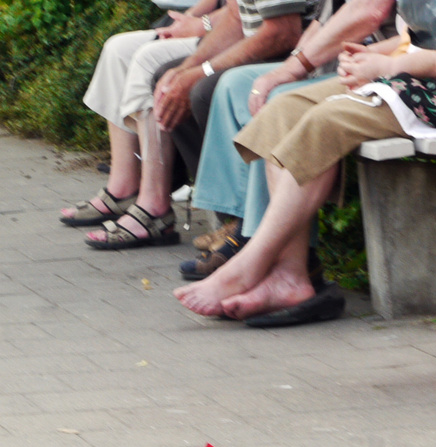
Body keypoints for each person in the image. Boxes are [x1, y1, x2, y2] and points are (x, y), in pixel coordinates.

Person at [173, 32, 436, 325]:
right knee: (283, 110)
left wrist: (386, 66)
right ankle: (290, 274)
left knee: (324, 123)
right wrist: (367, 55)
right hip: (405, 72)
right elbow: (417, 34)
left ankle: (249, 264)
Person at [183, 0, 397, 280]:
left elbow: (369, 12)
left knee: (277, 102)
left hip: (376, 68)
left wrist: (297, 66)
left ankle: (266, 244)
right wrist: (294, 61)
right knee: (231, 86)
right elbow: (324, 20)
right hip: (347, 62)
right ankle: (241, 224)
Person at [81, 0, 315, 251]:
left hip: (300, 57)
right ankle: (228, 219)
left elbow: (283, 33)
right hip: (269, 47)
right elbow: (236, 20)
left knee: (200, 91)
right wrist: (187, 69)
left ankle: (242, 224)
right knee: (171, 80)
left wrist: (201, 69)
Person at [61, 1, 222, 227]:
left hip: (232, 33)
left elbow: (239, 15)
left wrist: (201, 25)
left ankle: (154, 205)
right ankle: (123, 188)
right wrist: (184, 22)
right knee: (117, 49)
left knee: (148, 59)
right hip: (214, 23)